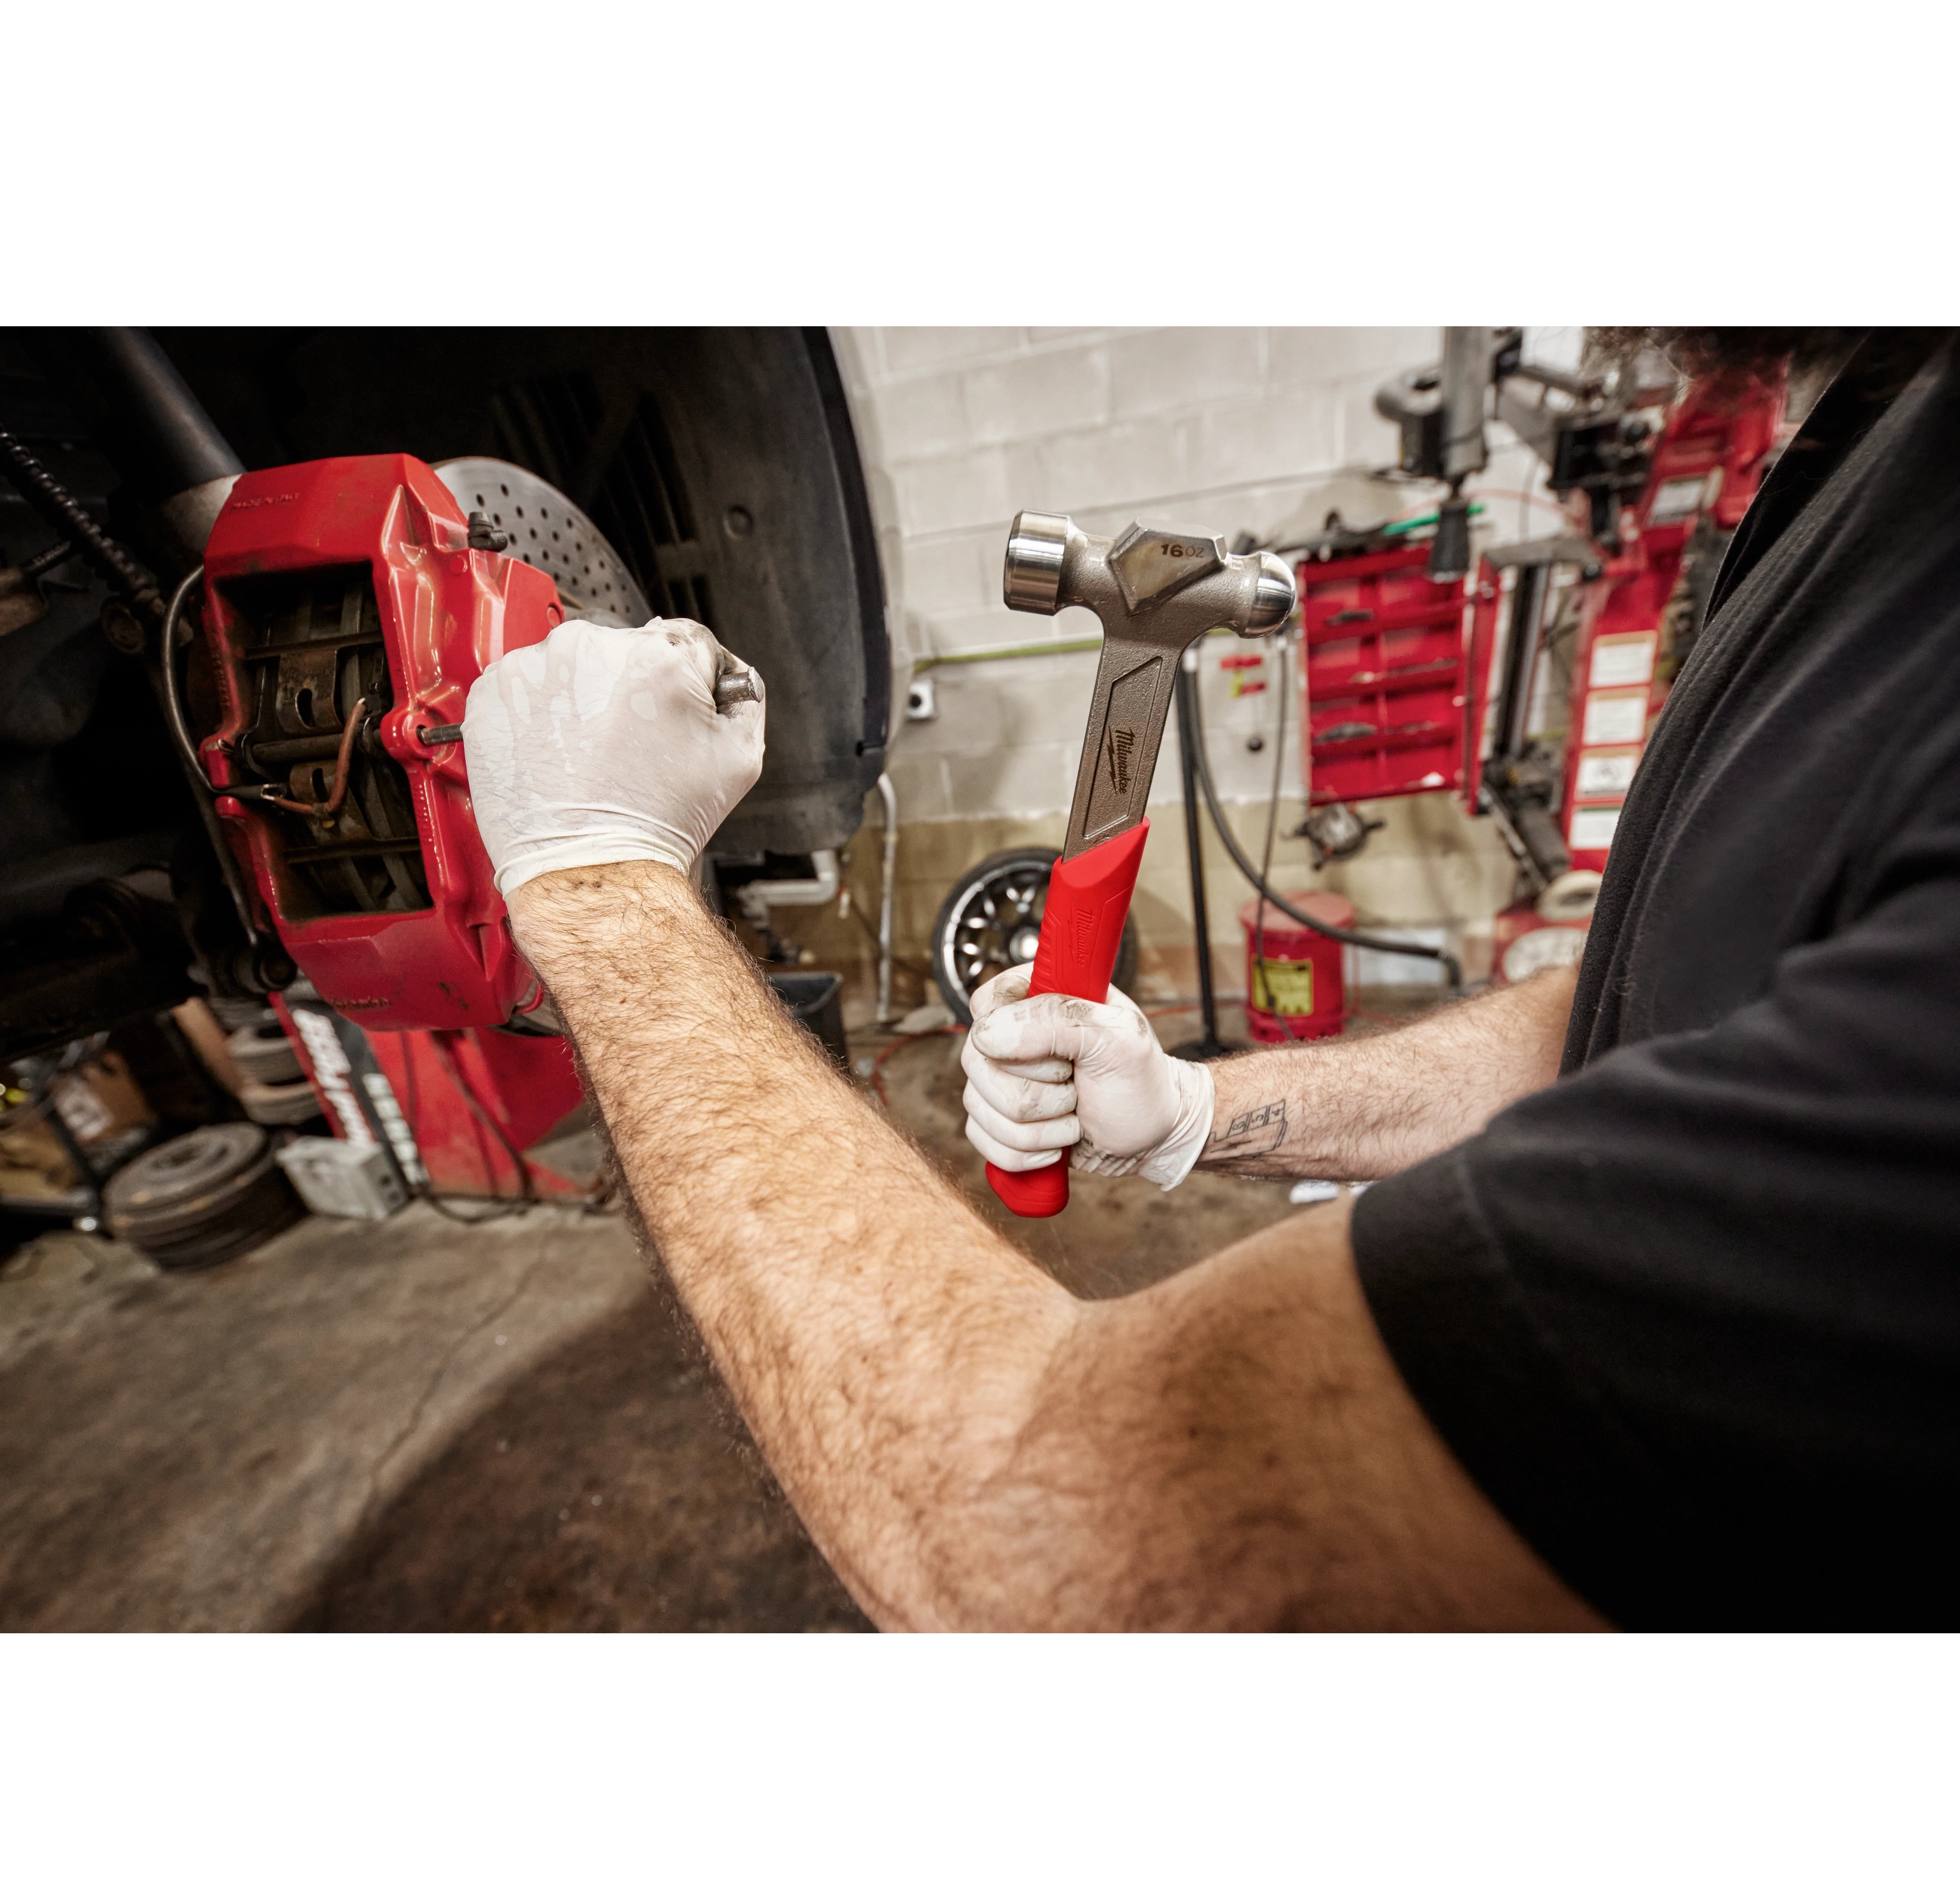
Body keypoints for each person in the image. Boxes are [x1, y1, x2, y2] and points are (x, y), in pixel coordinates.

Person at [465, 327, 1960, 1631]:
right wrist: (1198, 1108)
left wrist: (598, 882)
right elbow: (1666, 1004)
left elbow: (1055, 1546)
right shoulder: (1896, 445)